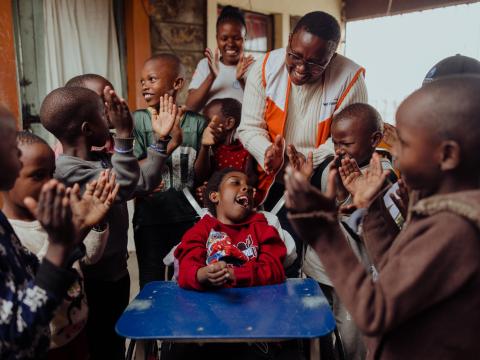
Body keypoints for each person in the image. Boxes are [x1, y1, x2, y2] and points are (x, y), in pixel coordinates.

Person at [285, 75, 480, 359]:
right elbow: (392, 270)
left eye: (404, 142)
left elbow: (375, 312)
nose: (394, 150)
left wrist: (325, 233)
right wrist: (372, 209)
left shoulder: (454, 228)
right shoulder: (440, 209)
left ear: (447, 155)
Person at [40, 85, 178, 359]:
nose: (112, 122)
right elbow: (126, 186)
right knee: (99, 346)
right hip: (93, 280)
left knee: (113, 339)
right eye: (106, 115)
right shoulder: (67, 171)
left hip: (116, 272)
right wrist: (125, 136)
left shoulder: (99, 159)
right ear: (87, 128)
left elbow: (143, 180)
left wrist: (160, 140)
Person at [1, 132, 119, 360]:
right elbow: (37, 283)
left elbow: (88, 258)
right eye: (38, 176)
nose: (51, 183)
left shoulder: (56, 217)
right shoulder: (11, 233)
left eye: (52, 173)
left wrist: (91, 225)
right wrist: (61, 243)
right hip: (46, 346)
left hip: (77, 334)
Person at [238, 10, 368, 207]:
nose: (301, 68)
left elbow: (349, 142)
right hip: (272, 175)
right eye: (295, 56)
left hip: (320, 175)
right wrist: (267, 153)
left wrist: (308, 162)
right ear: (290, 40)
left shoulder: (350, 78)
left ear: (332, 57)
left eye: (315, 63)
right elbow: (249, 128)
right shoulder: (264, 67)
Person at [133, 54, 207, 287]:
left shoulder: (197, 123)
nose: (145, 85)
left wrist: (206, 145)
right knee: (151, 282)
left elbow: (202, 175)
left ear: (177, 84)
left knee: (186, 279)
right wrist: (169, 143)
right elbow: (131, 170)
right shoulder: (138, 121)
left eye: (152, 79)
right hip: (150, 219)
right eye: (142, 81)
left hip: (188, 218)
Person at [175, 168, 286, 290]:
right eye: (235, 183)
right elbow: (185, 270)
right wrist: (202, 274)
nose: (247, 188)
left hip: (256, 303)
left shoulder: (263, 228)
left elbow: (275, 270)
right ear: (214, 196)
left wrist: (234, 274)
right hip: (210, 305)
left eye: (249, 187)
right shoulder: (201, 230)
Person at [186, 6, 254, 112]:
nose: (230, 43)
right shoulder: (205, 65)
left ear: (245, 39)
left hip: (242, 129)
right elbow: (190, 107)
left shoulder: (254, 67)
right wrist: (211, 77)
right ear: (217, 38)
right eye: (224, 38)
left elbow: (261, 108)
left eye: (236, 38)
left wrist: (241, 81)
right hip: (209, 128)